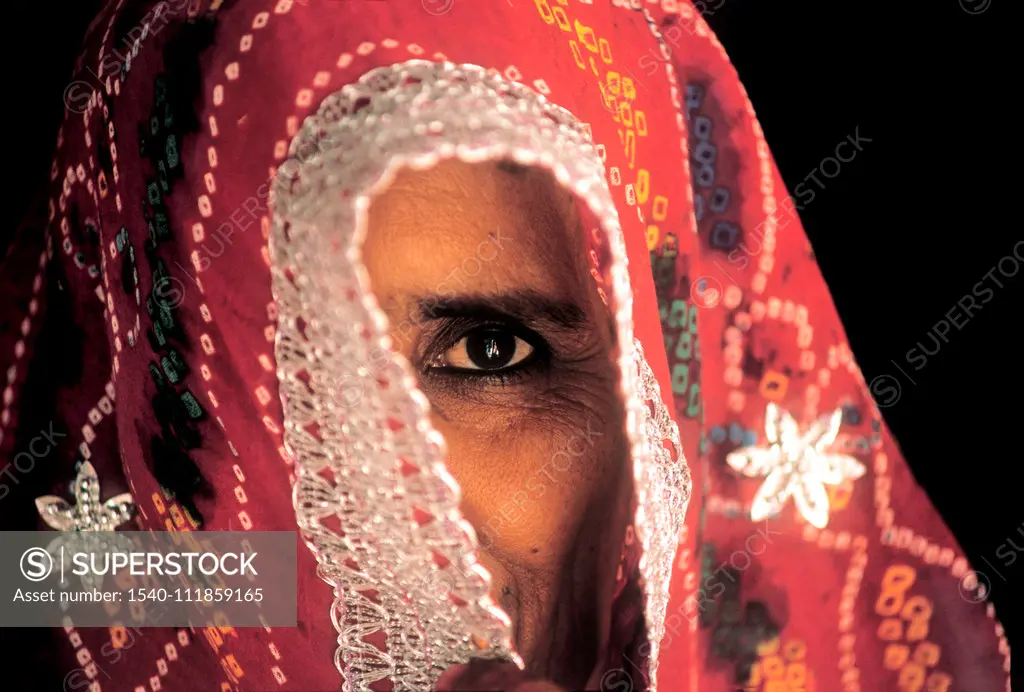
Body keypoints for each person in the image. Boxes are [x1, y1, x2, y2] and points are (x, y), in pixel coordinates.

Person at [0, 1, 1009, 690]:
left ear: (667, 420)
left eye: (491, 354)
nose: (379, 516)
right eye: (270, 375)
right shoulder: (104, 571)